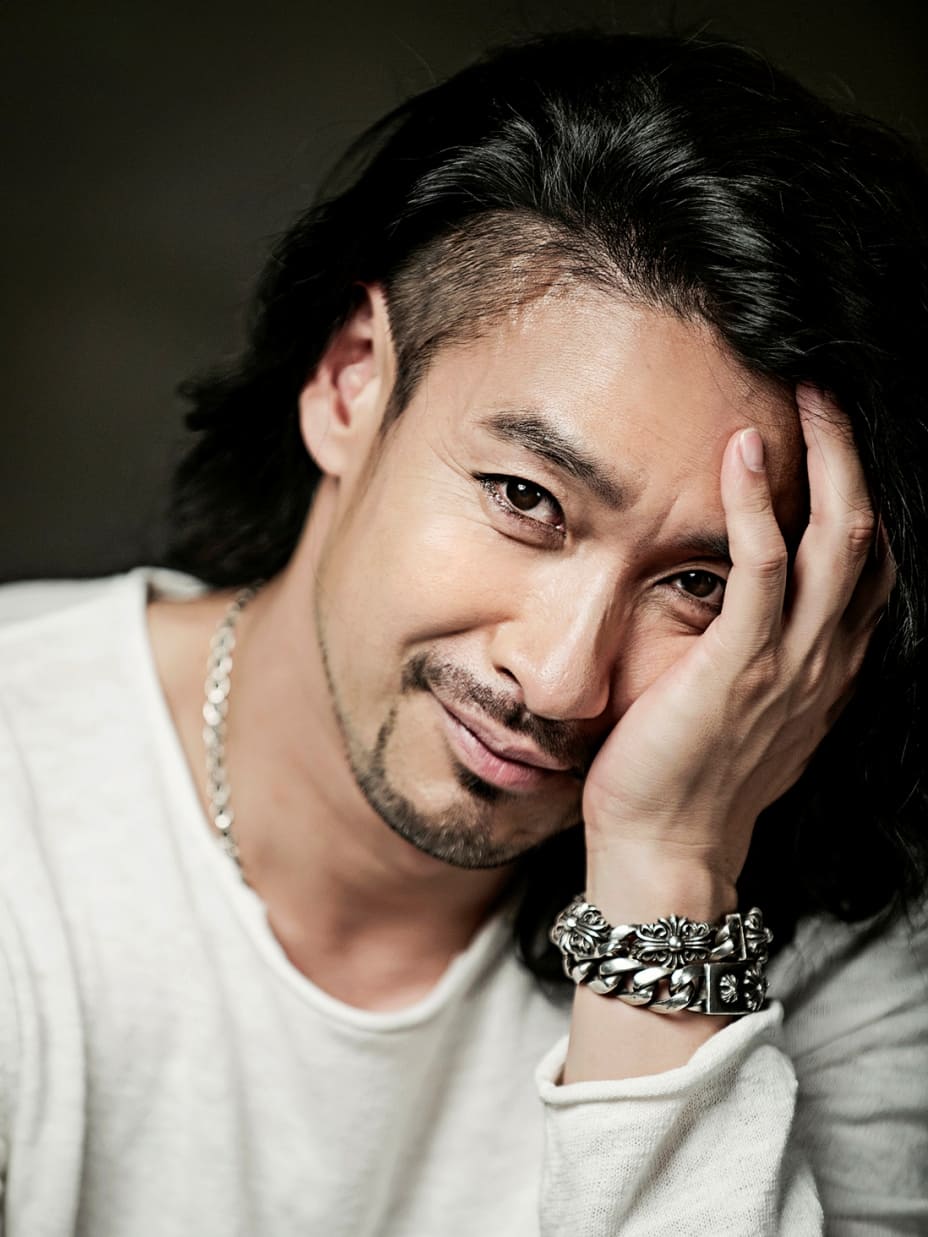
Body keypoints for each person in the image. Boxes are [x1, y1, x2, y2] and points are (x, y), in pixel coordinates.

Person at [1, 28, 927, 1236]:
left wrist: (665, 875)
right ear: (351, 382)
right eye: (525, 499)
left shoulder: (828, 953)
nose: (561, 676)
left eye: (699, 583)